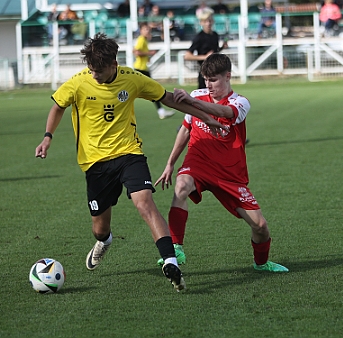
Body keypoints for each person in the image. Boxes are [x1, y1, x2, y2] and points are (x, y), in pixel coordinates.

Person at [34, 33, 227, 292]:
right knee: (99, 229)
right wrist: (48, 137)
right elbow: (58, 106)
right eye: (91, 70)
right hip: (94, 163)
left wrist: (207, 117)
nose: (94, 75)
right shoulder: (78, 83)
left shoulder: (133, 79)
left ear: (114, 63)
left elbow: (168, 98)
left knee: (144, 202)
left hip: (129, 154)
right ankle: (105, 240)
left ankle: (170, 262)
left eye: (99, 70)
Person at [154, 53, 288, 273]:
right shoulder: (198, 95)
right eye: (206, 79)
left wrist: (191, 101)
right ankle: (176, 247)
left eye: (213, 80)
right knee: (181, 186)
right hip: (198, 161)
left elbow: (226, 112)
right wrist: (170, 163)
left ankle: (262, 264)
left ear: (228, 76)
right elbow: (186, 130)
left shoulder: (240, 102)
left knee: (260, 226)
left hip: (229, 173)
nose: (208, 85)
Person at [133, 22, 175, 119]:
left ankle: (161, 111)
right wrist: (149, 53)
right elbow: (136, 52)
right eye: (145, 29)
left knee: (151, 90)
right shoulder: (141, 39)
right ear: (141, 30)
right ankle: (161, 111)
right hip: (140, 69)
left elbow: (136, 51)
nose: (148, 31)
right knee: (153, 89)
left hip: (142, 68)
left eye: (148, 29)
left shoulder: (144, 40)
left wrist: (146, 56)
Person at [184, 8, 227, 89]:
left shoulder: (215, 35)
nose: (208, 23)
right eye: (205, 21)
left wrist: (222, 48)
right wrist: (205, 57)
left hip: (216, 72)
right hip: (205, 73)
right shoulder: (199, 37)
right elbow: (187, 56)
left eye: (210, 21)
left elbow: (214, 52)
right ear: (201, 23)